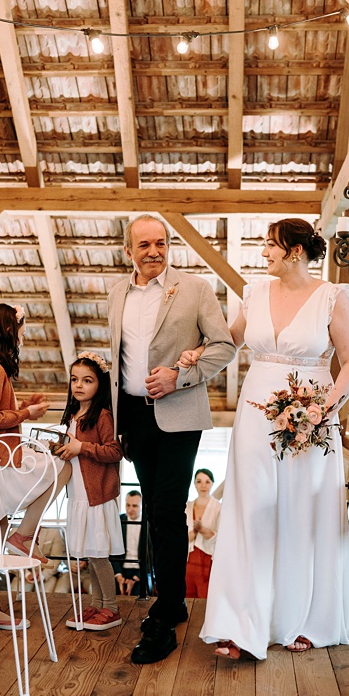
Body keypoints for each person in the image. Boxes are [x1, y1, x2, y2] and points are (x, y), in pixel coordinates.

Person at [198, 218, 349, 660]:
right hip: (255, 417)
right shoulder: (254, 293)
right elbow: (229, 342)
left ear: (294, 252)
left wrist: (321, 412)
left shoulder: (332, 297)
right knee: (249, 513)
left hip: (311, 416)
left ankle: (304, 620)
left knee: (300, 514)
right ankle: (240, 624)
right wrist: (197, 353)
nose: (264, 252)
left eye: (271, 245)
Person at [108, 214, 235, 663]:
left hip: (180, 417)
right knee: (156, 507)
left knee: (164, 508)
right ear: (129, 251)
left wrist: (179, 375)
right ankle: (175, 601)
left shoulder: (196, 289)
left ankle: (163, 617)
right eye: (143, 245)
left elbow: (223, 347)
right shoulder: (117, 293)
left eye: (160, 243)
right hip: (134, 421)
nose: (154, 251)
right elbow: (118, 358)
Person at [0, 303, 70, 631]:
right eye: (21, 329)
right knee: (61, 468)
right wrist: (26, 415)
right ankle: (23, 536)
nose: (23, 335)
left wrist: (20, 406)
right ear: (9, 331)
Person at [55, 351, 124, 631]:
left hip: (96, 497)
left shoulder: (103, 416)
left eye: (87, 380)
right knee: (90, 553)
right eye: (75, 379)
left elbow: (114, 451)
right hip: (79, 495)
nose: (79, 385)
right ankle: (96, 603)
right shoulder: (73, 415)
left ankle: (111, 607)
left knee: (98, 554)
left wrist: (81, 447)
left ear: (100, 384)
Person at [184, 467, 220, 598]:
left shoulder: (218, 508)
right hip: (187, 560)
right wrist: (194, 531)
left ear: (212, 483)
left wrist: (203, 530)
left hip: (207, 560)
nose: (203, 486)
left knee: (205, 598)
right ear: (194, 483)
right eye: (199, 481)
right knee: (187, 597)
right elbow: (181, 537)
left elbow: (221, 538)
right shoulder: (187, 506)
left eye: (207, 482)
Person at [113, 491, 146, 595]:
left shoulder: (148, 523)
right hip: (121, 569)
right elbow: (112, 550)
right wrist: (118, 576)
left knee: (138, 596)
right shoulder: (118, 520)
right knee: (113, 594)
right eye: (128, 505)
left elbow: (152, 555)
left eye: (135, 506)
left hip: (140, 570)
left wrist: (136, 578)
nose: (130, 509)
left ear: (142, 506)